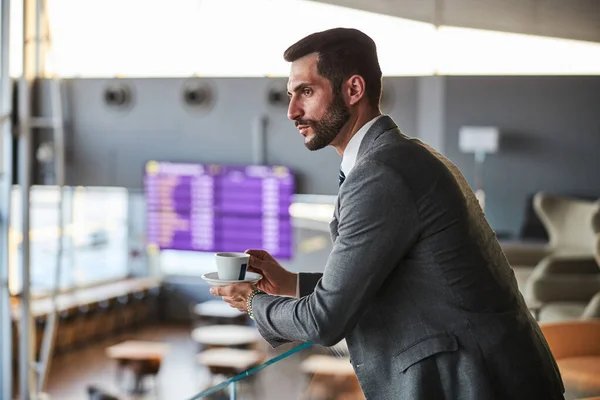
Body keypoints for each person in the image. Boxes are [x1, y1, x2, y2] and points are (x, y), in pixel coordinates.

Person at [210, 27, 565, 400]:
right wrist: (289, 284)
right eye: (290, 95)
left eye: (307, 92)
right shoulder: (403, 156)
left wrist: (252, 301)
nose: (292, 111)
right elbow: (389, 284)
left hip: (481, 384)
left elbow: (325, 322)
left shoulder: (381, 173)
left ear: (353, 90)